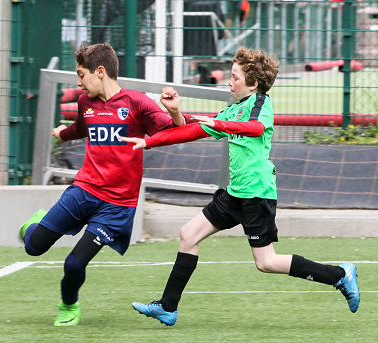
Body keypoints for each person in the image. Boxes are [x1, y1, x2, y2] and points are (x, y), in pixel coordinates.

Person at [119, 47, 360, 326]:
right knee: (188, 235)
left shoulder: (260, 103)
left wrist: (222, 124)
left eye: (234, 77)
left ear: (253, 83)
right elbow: (191, 130)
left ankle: (340, 275)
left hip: (256, 195)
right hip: (234, 194)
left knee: (266, 263)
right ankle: (167, 307)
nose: (229, 82)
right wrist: (151, 139)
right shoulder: (233, 109)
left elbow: (256, 128)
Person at [18, 42, 185, 327]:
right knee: (33, 247)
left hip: (117, 205)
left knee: (74, 263)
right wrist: (64, 134)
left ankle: (68, 306)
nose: (78, 82)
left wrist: (173, 111)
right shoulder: (86, 103)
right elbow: (81, 128)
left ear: (100, 71)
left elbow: (177, 133)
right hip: (84, 191)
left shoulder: (137, 103)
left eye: (81, 75)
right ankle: (38, 222)